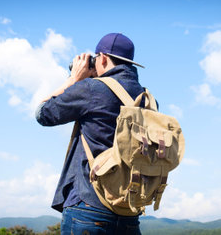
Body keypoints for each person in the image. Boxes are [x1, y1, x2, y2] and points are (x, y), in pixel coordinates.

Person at [36, 33, 146, 235]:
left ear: (102, 58)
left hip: (88, 206)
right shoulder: (147, 98)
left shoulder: (91, 89)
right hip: (129, 211)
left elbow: (43, 113)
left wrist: (73, 80)